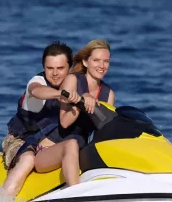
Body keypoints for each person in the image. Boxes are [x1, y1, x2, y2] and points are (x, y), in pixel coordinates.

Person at [33, 39, 115, 186]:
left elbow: (102, 133)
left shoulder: (108, 94)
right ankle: (75, 192)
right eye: (96, 60)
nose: (102, 66)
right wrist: (80, 103)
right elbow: (64, 122)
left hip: (78, 152)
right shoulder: (72, 80)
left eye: (106, 61)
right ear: (85, 62)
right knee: (71, 144)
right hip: (48, 150)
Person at [2, 41, 73, 197]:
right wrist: (61, 95)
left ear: (70, 68)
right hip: (20, 141)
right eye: (50, 68)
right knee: (28, 159)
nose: (55, 73)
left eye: (60, 68)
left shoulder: (74, 84)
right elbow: (36, 91)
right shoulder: (38, 82)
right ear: (44, 68)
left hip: (51, 143)